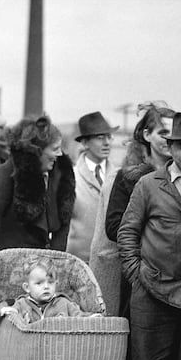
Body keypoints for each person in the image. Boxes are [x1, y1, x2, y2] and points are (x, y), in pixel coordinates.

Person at [118, 111, 181, 360]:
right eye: (180, 146)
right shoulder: (149, 184)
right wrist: (138, 273)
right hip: (153, 295)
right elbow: (127, 232)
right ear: (170, 147)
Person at [92, 101, 174, 317]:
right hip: (139, 274)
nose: (169, 138)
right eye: (163, 132)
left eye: (174, 133)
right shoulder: (128, 177)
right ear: (147, 135)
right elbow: (113, 226)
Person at [0, 115, 76, 269]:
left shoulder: (61, 173)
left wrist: (55, 263)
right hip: (10, 264)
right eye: (54, 149)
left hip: (44, 271)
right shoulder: (8, 171)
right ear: (37, 150)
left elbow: (63, 223)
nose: (59, 154)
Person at [66, 111, 118, 263]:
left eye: (109, 137)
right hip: (77, 262)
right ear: (84, 143)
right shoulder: (71, 177)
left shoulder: (119, 177)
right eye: (100, 137)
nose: (107, 142)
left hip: (111, 263)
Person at [0, 257, 101, 323]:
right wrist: (7, 311)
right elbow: (12, 314)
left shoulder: (64, 303)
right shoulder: (21, 304)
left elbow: (79, 317)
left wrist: (92, 318)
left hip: (57, 348)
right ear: (27, 287)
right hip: (30, 346)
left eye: (50, 282)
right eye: (39, 283)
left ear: (56, 283)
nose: (46, 286)